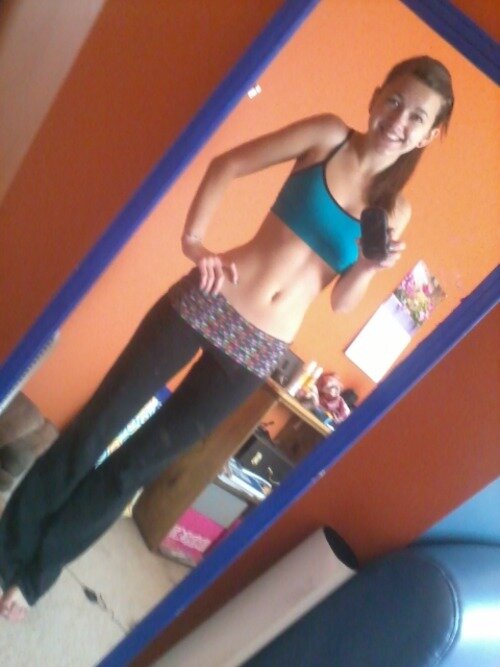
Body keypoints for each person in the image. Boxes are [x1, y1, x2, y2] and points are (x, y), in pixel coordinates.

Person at [0, 55, 454, 620]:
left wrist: (369, 265)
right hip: (207, 301)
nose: (398, 121)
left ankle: (34, 577)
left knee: (134, 467)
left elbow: (340, 301)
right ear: (376, 94)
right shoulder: (328, 135)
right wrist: (195, 244)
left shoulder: (395, 210)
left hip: (259, 351)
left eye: (417, 117)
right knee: (94, 430)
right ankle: (6, 555)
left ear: (428, 135)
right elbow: (227, 164)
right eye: (395, 101)